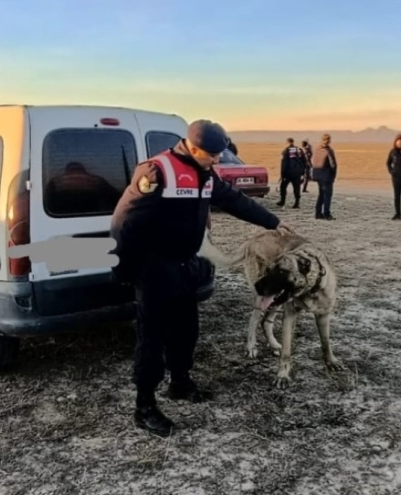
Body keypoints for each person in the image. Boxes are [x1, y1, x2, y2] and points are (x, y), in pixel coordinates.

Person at [110, 119, 293, 437]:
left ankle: (180, 383)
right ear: (193, 148)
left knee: (186, 330)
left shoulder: (205, 173)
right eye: (213, 154)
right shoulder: (157, 171)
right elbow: (124, 223)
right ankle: (145, 407)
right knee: (152, 338)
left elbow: (233, 200)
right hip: (155, 268)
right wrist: (125, 268)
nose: (218, 159)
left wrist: (272, 222)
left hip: (186, 264)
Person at [311, 134, 337, 220]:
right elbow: (333, 164)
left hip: (318, 175)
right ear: (329, 140)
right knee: (327, 195)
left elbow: (313, 161)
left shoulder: (317, 149)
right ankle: (326, 213)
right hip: (326, 175)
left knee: (321, 194)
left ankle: (318, 213)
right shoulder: (328, 150)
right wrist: (333, 175)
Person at [277, 138, 305, 208]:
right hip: (297, 173)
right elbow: (304, 161)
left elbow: (284, 164)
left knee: (283, 187)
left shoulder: (286, 151)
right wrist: (302, 172)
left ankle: (282, 201)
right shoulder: (299, 150)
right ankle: (297, 203)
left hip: (288, 173)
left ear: (287, 142)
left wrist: (282, 175)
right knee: (296, 188)